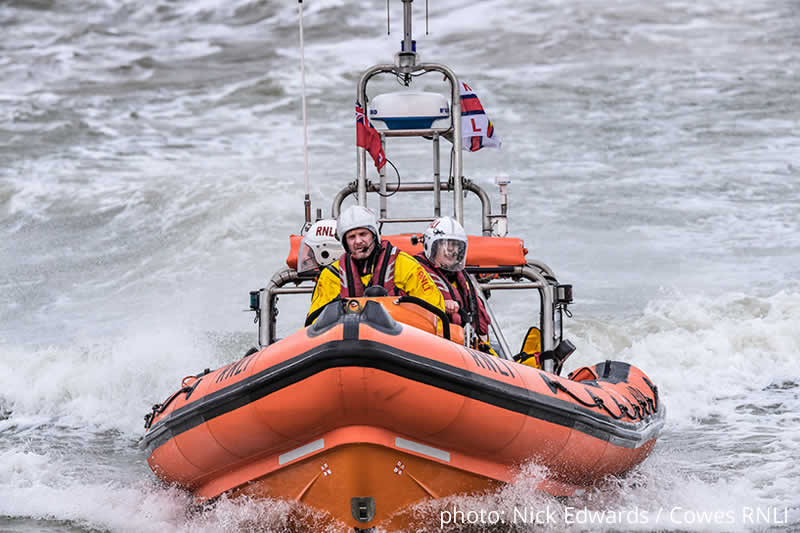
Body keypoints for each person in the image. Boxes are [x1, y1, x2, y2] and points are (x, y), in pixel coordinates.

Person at [307, 205, 444, 318]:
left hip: (401, 341)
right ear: (345, 242)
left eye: (363, 234)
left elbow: (435, 311)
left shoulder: (405, 265)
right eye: (352, 237)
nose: (358, 241)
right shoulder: (331, 276)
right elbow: (314, 322)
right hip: (348, 345)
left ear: (374, 235)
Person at [415, 217, 491, 342]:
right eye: (445, 244)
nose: (451, 250)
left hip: (465, 343)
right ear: (432, 246)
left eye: (456, 245)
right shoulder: (416, 271)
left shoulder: (462, 278)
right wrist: (440, 304)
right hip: (433, 340)